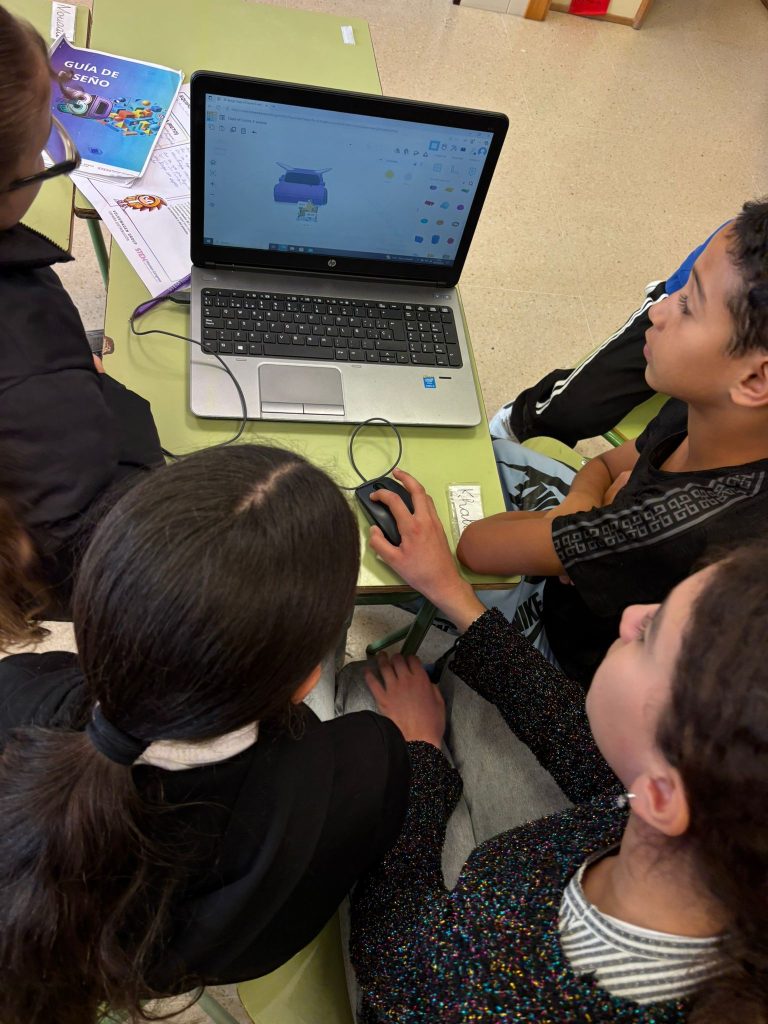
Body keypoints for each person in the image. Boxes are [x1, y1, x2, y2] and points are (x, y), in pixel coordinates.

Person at [0, 444, 410, 1024]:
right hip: (215, 957)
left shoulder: (14, 687)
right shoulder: (361, 768)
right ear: (305, 681)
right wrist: (420, 748)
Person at [348, 469, 768, 1023]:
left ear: (662, 796)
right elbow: (576, 742)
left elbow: (390, 950)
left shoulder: (480, 990)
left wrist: (420, 755)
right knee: (464, 683)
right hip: (519, 882)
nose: (631, 616)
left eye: (651, 635)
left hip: (415, 955)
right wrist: (452, 592)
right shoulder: (697, 819)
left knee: (356, 698)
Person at [456, 200, 768, 684]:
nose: (658, 309)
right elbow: (603, 467)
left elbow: (474, 547)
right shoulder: (711, 409)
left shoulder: (673, 528)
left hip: (569, 668)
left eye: (689, 303)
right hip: (585, 538)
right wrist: (579, 508)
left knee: (428, 537)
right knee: (469, 460)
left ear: (755, 379)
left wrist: (578, 517)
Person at [0, 5, 163, 626]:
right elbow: (98, 540)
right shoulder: (39, 390)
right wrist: (105, 399)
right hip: (78, 566)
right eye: (46, 148)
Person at [497, 222, 728, 447]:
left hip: (724, 352)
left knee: (676, 435)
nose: (655, 314)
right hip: (689, 311)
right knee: (579, 408)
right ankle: (520, 424)